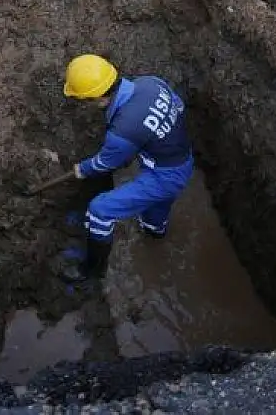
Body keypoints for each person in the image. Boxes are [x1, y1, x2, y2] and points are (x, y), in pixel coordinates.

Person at [59, 54, 195, 283]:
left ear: (98, 99)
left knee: (99, 211)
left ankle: (90, 272)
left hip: (164, 176)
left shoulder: (121, 132)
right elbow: (178, 108)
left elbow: (104, 163)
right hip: (182, 159)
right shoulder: (150, 83)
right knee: (152, 222)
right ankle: (155, 235)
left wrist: (82, 169)